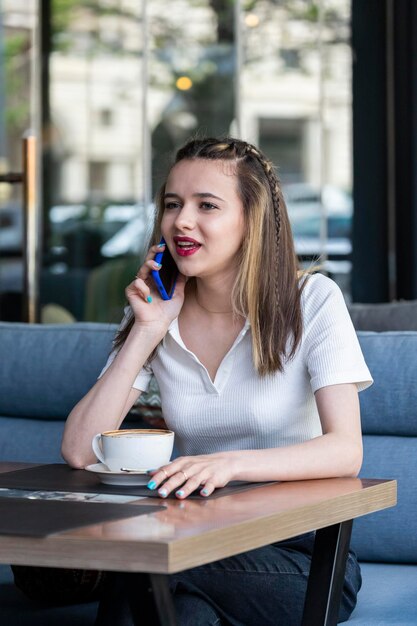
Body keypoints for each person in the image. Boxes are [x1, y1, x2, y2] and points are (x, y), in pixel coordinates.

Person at [61, 137, 372, 626]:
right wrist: (146, 330)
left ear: (252, 220)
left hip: (299, 555)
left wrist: (227, 465)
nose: (181, 220)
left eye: (207, 205)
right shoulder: (156, 314)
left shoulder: (312, 300)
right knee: (176, 609)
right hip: (194, 536)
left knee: (144, 571)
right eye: (172, 204)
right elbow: (80, 450)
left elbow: (345, 450)